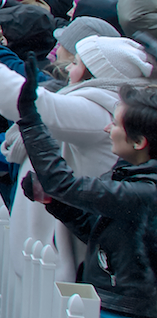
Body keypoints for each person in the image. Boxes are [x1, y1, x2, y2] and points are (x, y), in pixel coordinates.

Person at [16, 58, 157, 318]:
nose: (107, 127)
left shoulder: (146, 192)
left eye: (116, 124)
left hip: (125, 311)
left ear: (139, 142)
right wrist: (55, 202)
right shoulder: (129, 174)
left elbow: (63, 184)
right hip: (109, 303)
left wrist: (30, 118)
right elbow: (96, 231)